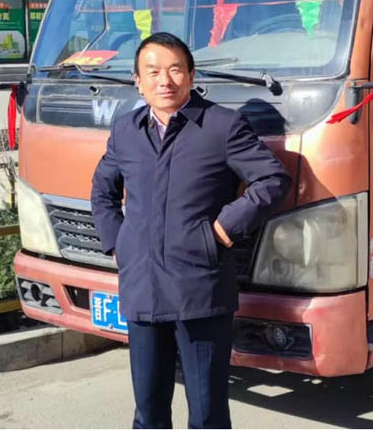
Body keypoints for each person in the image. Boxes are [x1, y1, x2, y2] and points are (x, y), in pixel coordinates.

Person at [91, 32, 291, 428]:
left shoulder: (221, 126)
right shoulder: (127, 130)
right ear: (138, 81)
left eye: (175, 70)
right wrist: (118, 243)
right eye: (153, 72)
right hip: (143, 285)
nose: (164, 80)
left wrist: (223, 230)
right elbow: (102, 191)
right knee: (148, 410)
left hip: (200, 287)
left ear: (191, 75)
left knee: (207, 412)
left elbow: (272, 179)